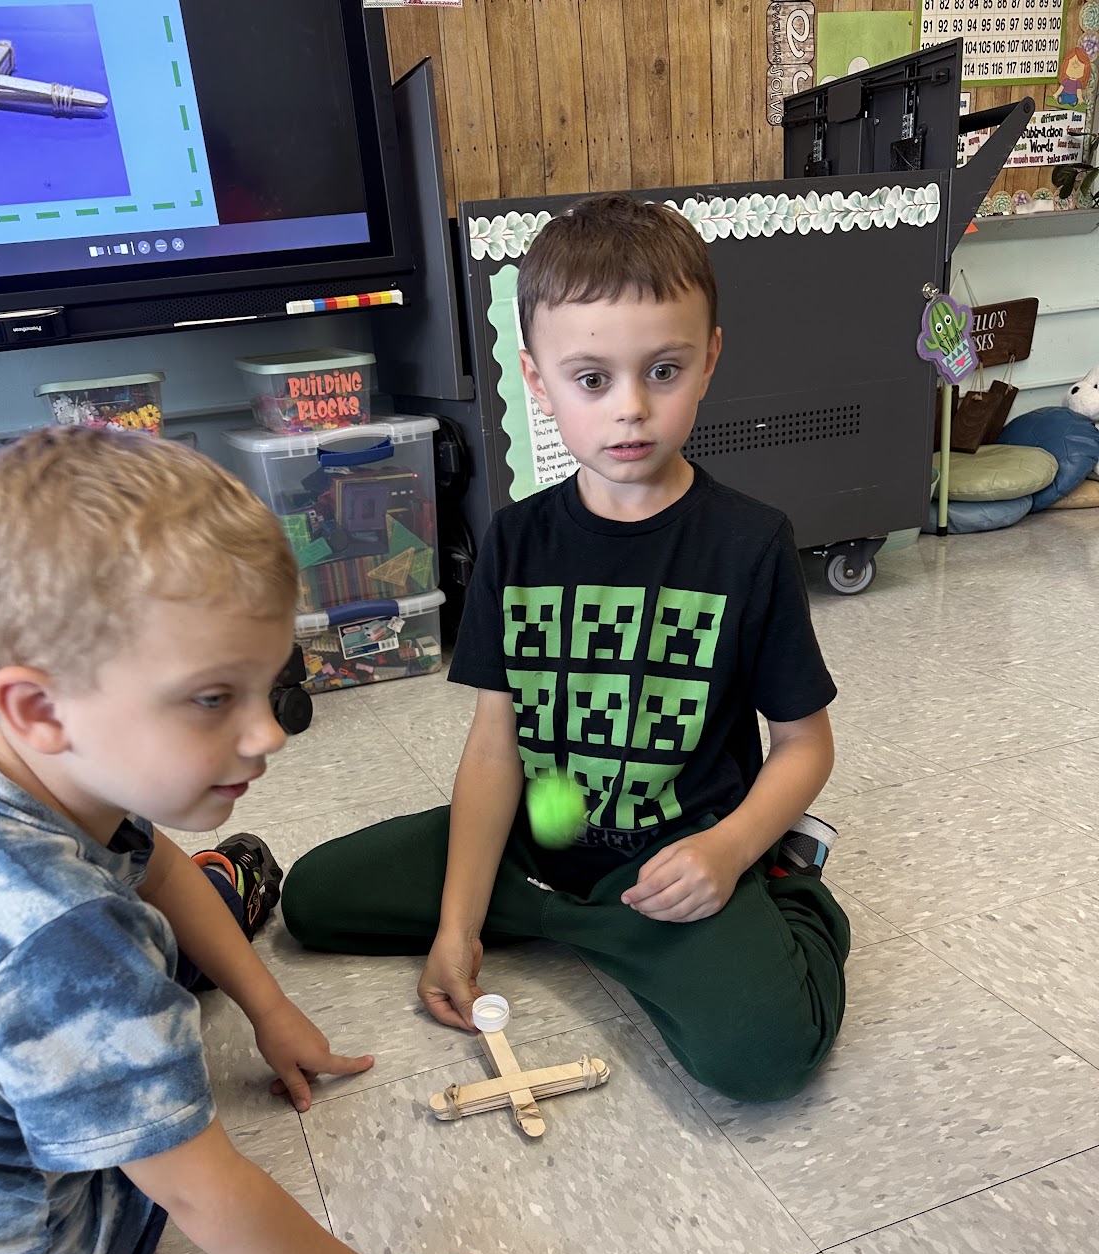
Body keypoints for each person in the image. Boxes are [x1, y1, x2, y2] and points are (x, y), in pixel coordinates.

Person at [0, 427, 510, 1254]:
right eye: (212, 699)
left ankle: (219, 908)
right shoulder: (71, 944)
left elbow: (151, 862)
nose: (267, 732)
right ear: (41, 708)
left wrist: (269, 1005)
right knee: (134, 983)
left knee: (172, 877)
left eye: (269, 687)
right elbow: (200, 1189)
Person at [283, 193, 850, 1102]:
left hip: (667, 863)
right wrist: (460, 925)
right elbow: (492, 744)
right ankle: (560, 919)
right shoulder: (515, 541)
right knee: (314, 898)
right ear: (538, 382)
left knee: (762, 1056)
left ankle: (781, 899)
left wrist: (735, 849)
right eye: (591, 379)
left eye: (662, 370)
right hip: (534, 851)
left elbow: (803, 744)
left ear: (708, 360)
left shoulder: (749, 543)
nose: (630, 409)